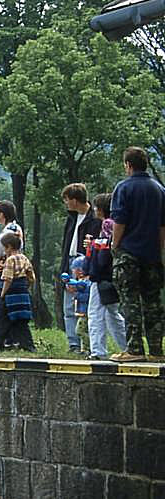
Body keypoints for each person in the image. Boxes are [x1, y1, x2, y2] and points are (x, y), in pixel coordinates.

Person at [109, 146, 165, 362]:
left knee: (130, 301)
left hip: (129, 253)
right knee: (153, 303)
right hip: (152, 254)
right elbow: (162, 226)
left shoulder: (124, 188)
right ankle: (156, 349)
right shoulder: (159, 189)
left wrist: (115, 245)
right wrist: (159, 249)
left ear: (128, 165)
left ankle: (134, 349)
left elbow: (119, 221)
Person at [59, 183, 102, 353]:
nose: (66, 203)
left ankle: (88, 343)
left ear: (75, 200)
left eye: (67, 200)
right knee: (69, 306)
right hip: (70, 261)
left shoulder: (95, 219)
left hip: (84, 263)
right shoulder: (71, 218)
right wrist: (64, 268)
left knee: (86, 304)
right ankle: (73, 344)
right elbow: (65, 244)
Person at [83, 193, 127, 360]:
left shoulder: (107, 224)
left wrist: (93, 246)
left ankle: (98, 351)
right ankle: (127, 346)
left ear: (101, 209)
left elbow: (104, 249)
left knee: (95, 313)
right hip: (113, 274)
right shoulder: (117, 223)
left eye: (96, 207)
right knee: (112, 313)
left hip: (101, 276)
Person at [0, 200, 23, 339]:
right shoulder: (16, 228)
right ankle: (13, 337)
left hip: (4, 270)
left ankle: (6, 338)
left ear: (2, 214)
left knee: (1, 304)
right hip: (17, 269)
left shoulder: (8, 231)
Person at [0, 232, 36, 352]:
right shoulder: (24, 258)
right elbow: (32, 277)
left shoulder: (10, 260)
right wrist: (26, 287)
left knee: (2, 321)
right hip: (22, 293)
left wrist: (2, 294)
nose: (4, 250)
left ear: (9, 247)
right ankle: (28, 345)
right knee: (21, 320)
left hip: (11, 295)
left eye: (4, 248)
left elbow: (8, 279)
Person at [61, 255, 90, 354]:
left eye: (74, 270)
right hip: (82, 311)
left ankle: (87, 348)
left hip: (85, 312)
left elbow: (86, 296)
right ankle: (83, 348)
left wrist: (76, 294)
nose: (73, 272)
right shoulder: (82, 282)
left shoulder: (86, 283)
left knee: (80, 330)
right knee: (82, 330)